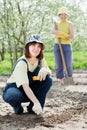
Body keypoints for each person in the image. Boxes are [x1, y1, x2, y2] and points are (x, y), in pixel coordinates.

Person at [2, 34, 52, 115]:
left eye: (39, 46)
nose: (36, 48)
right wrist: (36, 102)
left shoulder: (40, 59)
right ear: (27, 47)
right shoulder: (22, 62)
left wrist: (45, 70)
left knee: (48, 80)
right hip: (15, 88)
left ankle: (32, 108)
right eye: (33, 45)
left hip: (30, 87)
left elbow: (49, 71)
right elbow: (25, 86)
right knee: (13, 96)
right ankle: (17, 106)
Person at [51, 6, 74, 85]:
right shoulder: (56, 23)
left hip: (67, 45)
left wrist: (63, 35)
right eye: (61, 14)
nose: (63, 16)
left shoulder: (70, 24)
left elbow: (71, 36)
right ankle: (60, 80)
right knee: (58, 63)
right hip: (57, 45)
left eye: (65, 15)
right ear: (59, 15)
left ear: (67, 15)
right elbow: (52, 31)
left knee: (68, 63)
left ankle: (69, 78)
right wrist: (59, 33)